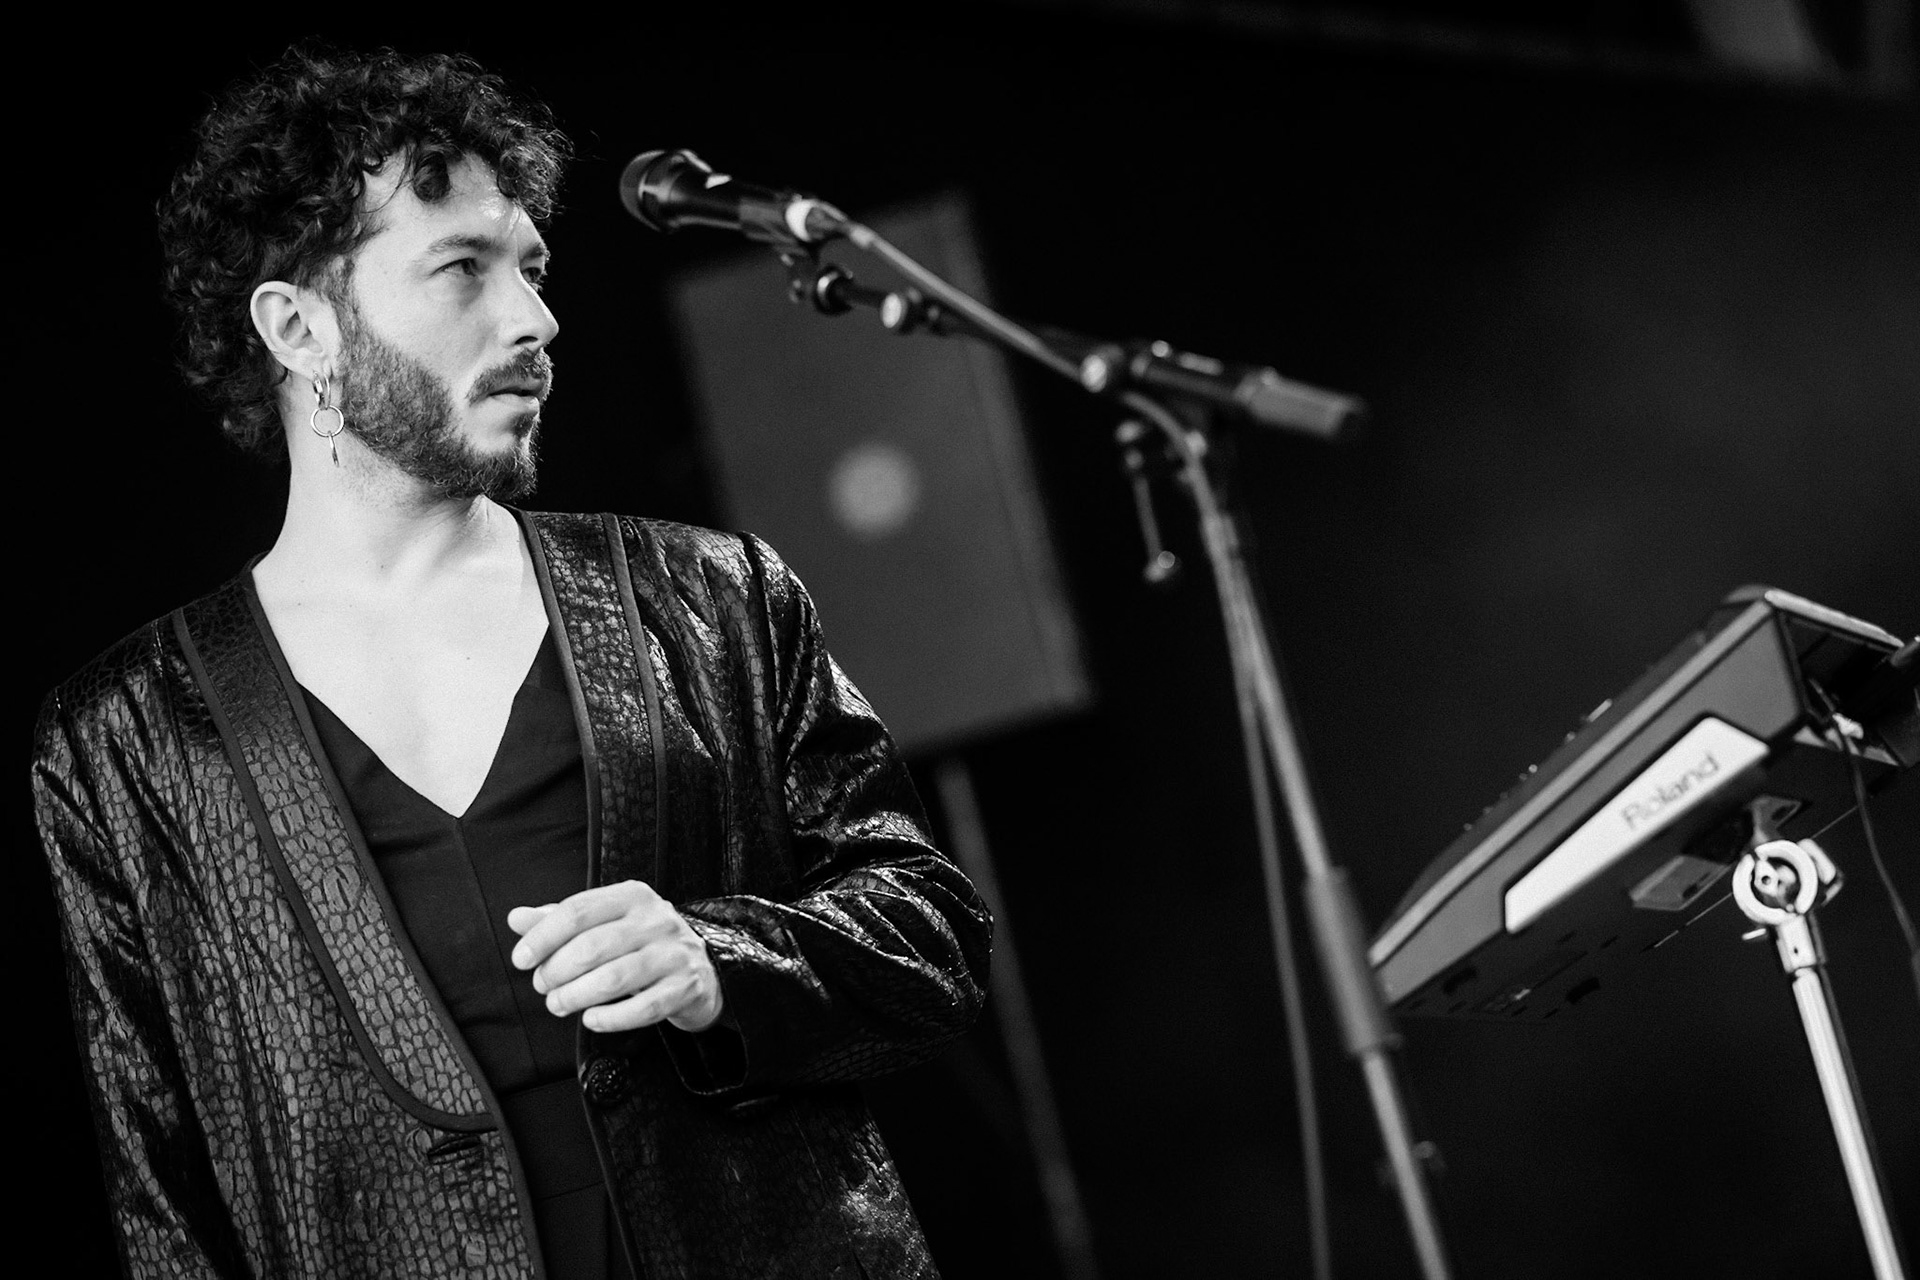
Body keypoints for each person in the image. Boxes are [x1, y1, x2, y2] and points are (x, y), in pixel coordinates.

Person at [29, 44, 991, 1279]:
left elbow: (936, 936)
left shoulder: (715, 597)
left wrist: (719, 960)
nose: (535, 317)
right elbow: (163, 1208)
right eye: (461, 269)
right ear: (298, 325)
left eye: (531, 267)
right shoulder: (123, 743)